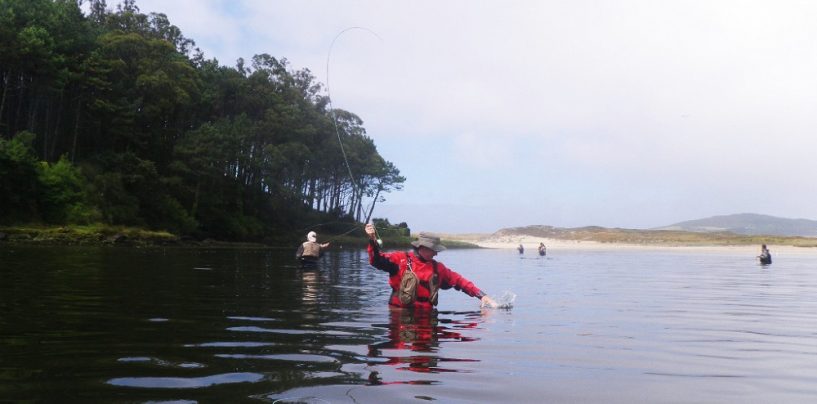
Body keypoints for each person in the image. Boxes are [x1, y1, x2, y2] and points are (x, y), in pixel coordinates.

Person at [365, 223, 497, 310]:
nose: (436, 253)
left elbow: (460, 281)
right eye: (434, 250)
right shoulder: (400, 259)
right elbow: (376, 260)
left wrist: (482, 296)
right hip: (399, 316)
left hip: (426, 318)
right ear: (422, 247)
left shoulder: (438, 268)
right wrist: (372, 240)